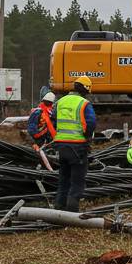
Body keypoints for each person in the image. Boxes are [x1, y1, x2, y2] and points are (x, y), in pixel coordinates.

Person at [53, 77, 97, 212]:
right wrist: (87, 137)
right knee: (77, 179)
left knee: (64, 177)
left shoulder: (60, 102)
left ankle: (59, 205)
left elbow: (53, 120)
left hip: (61, 145)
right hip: (77, 145)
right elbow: (91, 123)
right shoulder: (84, 103)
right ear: (86, 89)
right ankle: (72, 209)